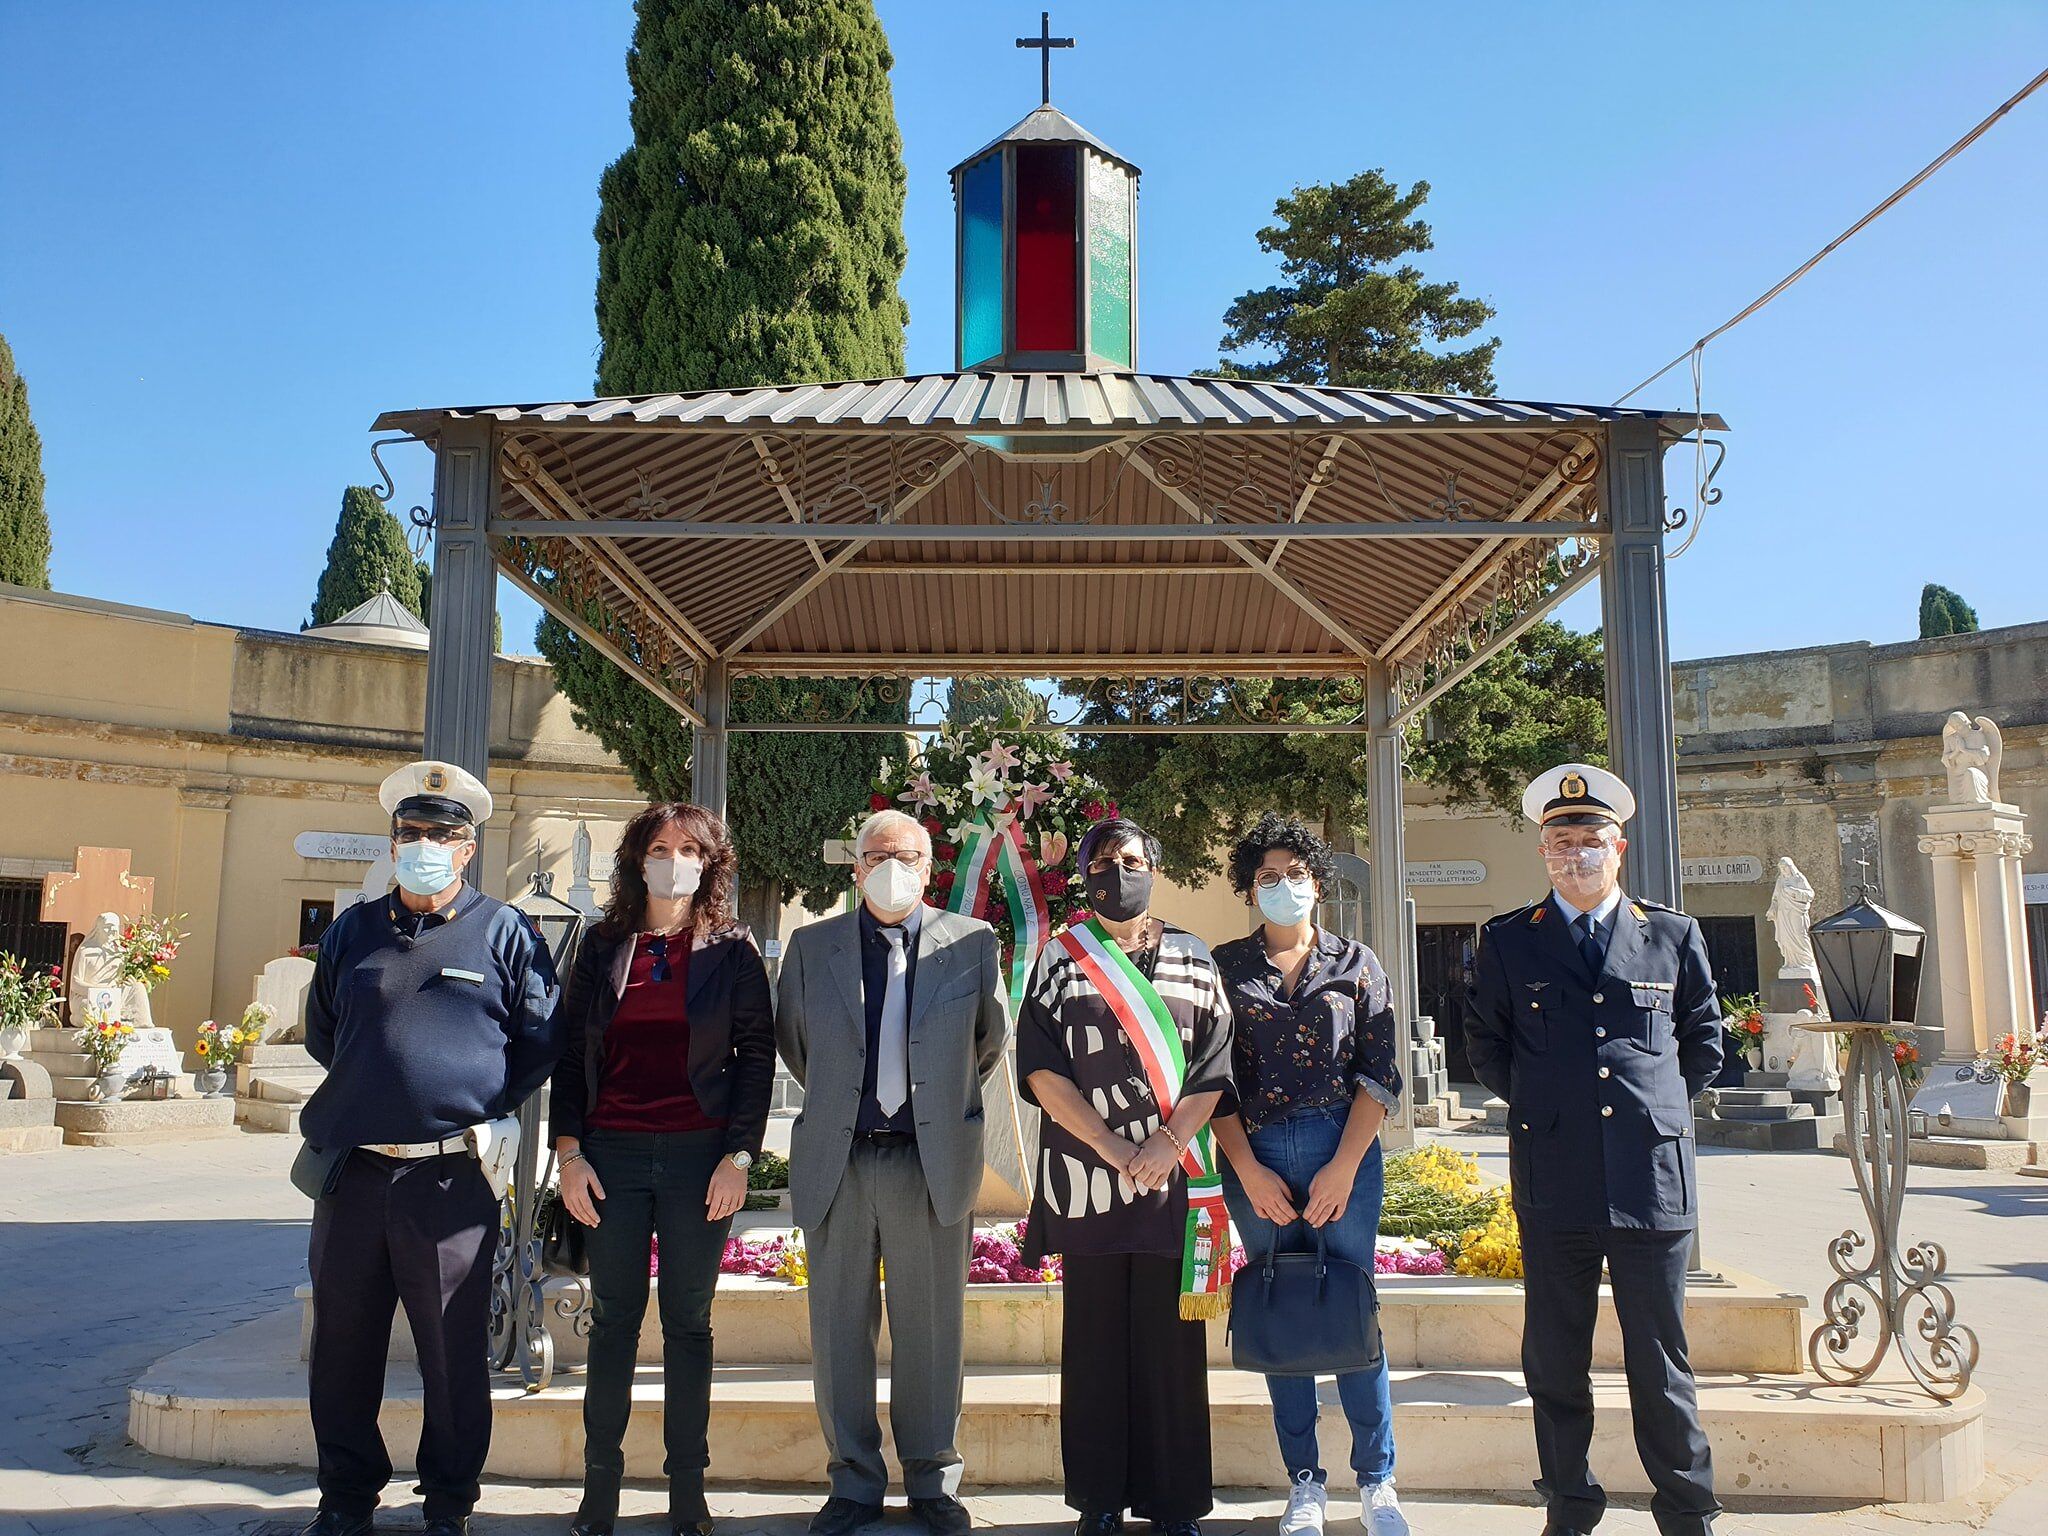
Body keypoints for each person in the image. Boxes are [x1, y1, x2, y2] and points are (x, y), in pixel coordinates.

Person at [298, 760, 564, 1536]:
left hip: (450, 1179)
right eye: (411, 833)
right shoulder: (352, 930)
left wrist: (482, 1103)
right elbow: (325, 1032)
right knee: (341, 1347)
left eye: (443, 835)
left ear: (468, 848)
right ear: (392, 843)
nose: (426, 846)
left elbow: (541, 1039)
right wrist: (381, 1087)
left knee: (451, 1353)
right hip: (354, 1172)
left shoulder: (504, 930)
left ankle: (449, 1503)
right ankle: (345, 1500)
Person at [1464, 764, 1725, 1536]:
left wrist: (1651, 1109)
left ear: (1619, 849)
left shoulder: (1672, 934)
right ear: (1543, 851)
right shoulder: (1509, 940)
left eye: (1589, 839)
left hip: (1651, 1180)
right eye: (1559, 841)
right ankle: (1570, 1508)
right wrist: (1554, 1106)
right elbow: (1487, 1045)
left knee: (1661, 1363)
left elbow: (1703, 1042)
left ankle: (1687, 1513)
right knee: (1554, 1361)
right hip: (1556, 1177)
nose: (1574, 853)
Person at [774, 808, 1009, 1536]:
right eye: (877, 855)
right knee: (839, 1332)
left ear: (929, 866)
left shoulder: (972, 942)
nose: (891, 867)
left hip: (929, 1162)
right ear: (856, 866)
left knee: (932, 1332)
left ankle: (933, 1480)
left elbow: (987, 1043)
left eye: (906, 855)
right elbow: (796, 1045)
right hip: (840, 1160)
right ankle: (852, 1483)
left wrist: (928, 1106)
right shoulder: (811, 946)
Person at [550, 802, 776, 1536]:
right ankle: (599, 1492)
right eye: (659, 847)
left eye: (687, 849)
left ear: (709, 864)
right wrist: (569, 1155)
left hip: (699, 1159)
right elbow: (569, 1055)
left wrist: (739, 1156)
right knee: (613, 1321)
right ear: (636, 859)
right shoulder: (601, 944)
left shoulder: (732, 949)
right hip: (609, 1157)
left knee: (688, 1323)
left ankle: (688, 1492)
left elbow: (755, 1057)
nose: (672, 860)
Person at [1018, 817, 1236, 1536]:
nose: (1119, 872)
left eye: (1133, 860)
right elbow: (1041, 1069)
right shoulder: (1061, 957)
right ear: (1086, 876)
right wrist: (1114, 1148)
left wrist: (1168, 1144)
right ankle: (1099, 1500)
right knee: (1095, 1346)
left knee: (1172, 1352)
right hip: (1089, 1182)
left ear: (1155, 868)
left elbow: (1214, 1067)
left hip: (1175, 1182)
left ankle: (1174, 1504)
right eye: (1103, 862)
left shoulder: (1196, 956)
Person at [1209, 814, 1408, 1536]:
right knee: (1282, 1312)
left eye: (1296, 874)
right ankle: (1305, 1483)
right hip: (1255, 1152)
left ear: (1318, 883)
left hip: (1340, 1146)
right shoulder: (1224, 967)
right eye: (1268, 876)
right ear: (1249, 888)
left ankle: (1377, 1481)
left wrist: (1344, 1168)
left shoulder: (1358, 963)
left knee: (1352, 1307)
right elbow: (1210, 1079)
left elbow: (1379, 1074)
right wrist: (1247, 1171)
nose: (1283, 886)